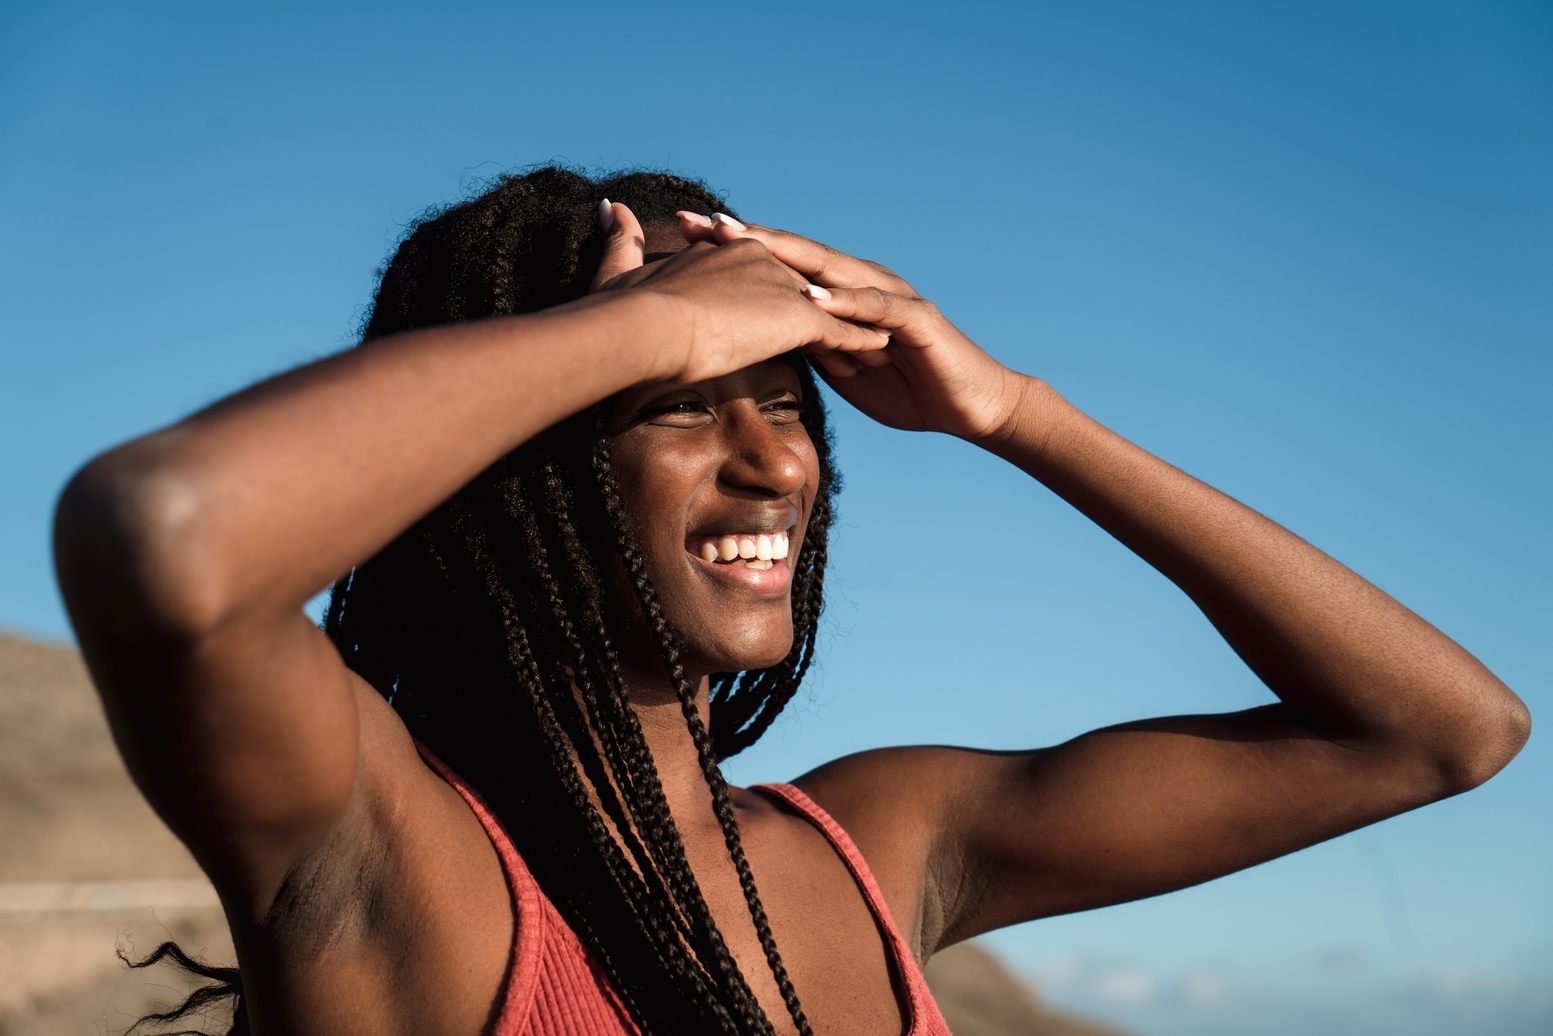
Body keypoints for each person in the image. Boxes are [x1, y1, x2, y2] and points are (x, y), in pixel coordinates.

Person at [53, 167, 1528, 1036]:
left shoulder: (877, 848)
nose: (775, 464)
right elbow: (165, 536)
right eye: (678, 407)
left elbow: (1437, 732)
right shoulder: (384, 850)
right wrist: (646, 321)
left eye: (787, 405)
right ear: (521, 460)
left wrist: (1014, 412)